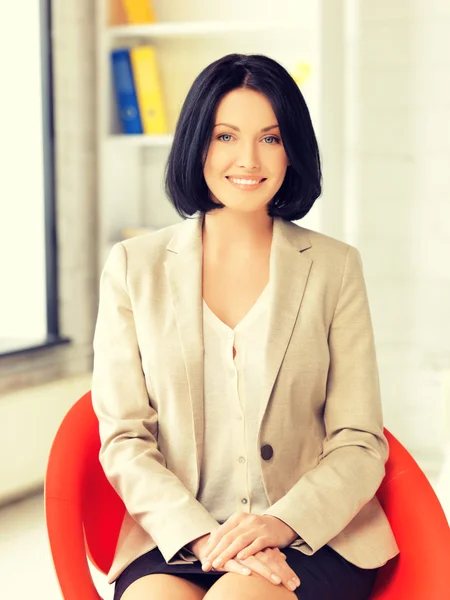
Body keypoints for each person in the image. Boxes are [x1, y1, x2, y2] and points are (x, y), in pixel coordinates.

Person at [91, 53, 400, 600]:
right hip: (179, 536)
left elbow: (359, 440)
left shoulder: (334, 266)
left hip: (310, 535)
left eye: (272, 138)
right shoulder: (133, 267)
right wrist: (203, 538)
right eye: (225, 136)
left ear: (292, 152)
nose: (248, 159)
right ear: (197, 145)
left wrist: (279, 525)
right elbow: (124, 439)